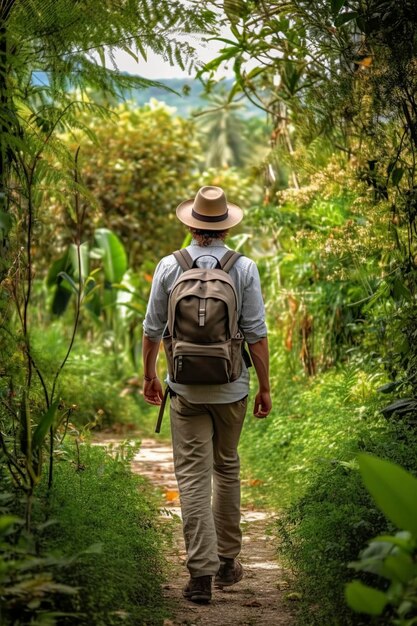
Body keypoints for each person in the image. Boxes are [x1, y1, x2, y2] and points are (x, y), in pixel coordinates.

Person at [142, 185, 271, 604]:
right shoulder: (244, 267)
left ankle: (201, 576)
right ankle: (228, 560)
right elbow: (256, 335)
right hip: (231, 386)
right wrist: (265, 388)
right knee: (227, 468)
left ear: (191, 225)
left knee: (193, 479)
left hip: (184, 387)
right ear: (225, 226)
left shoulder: (169, 266)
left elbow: (152, 330)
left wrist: (150, 375)